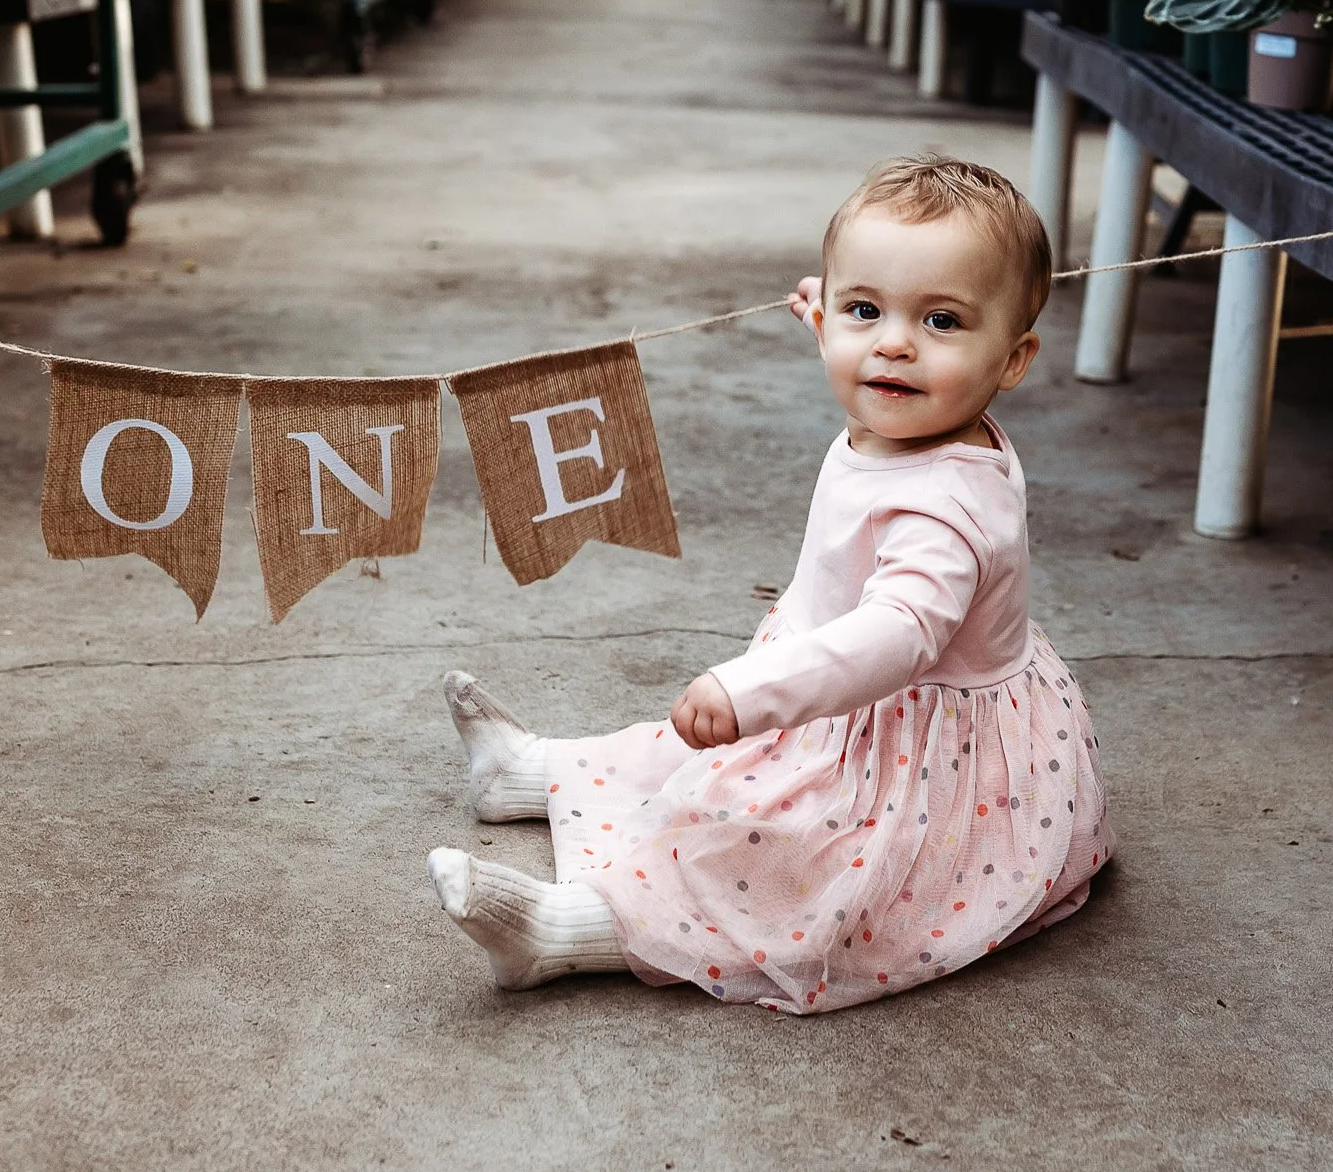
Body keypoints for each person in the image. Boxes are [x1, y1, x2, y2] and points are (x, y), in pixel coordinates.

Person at [425, 153, 1110, 1013]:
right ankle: (532, 774)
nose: (893, 343)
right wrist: (836, 319)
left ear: (1013, 358)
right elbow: (881, 344)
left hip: (911, 742)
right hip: (830, 691)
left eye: (941, 320)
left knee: (776, 855)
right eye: (865, 309)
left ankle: (569, 930)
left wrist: (750, 689)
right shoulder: (909, 406)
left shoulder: (945, 512)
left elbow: (898, 636)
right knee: (691, 755)